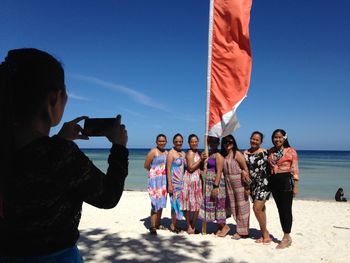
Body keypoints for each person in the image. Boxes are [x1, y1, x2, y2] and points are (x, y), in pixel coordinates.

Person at [0, 48, 128, 261]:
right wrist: (119, 148)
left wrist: (59, 140)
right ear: (54, 100)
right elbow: (108, 196)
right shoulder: (59, 156)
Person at [267, 129, 299, 249]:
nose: (278, 139)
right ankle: (286, 235)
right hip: (274, 181)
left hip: (286, 180)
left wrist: (296, 185)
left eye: (280, 137)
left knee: (286, 209)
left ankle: (286, 236)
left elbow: (295, 168)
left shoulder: (291, 151)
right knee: (280, 209)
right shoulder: (271, 151)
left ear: (285, 138)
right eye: (275, 137)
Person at [243, 131, 271, 244]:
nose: (254, 141)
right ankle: (264, 232)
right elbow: (244, 169)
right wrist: (246, 184)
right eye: (252, 139)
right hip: (252, 184)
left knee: (257, 208)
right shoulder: (245, 153)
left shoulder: (266, 152)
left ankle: (265, 233)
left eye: (257, 140)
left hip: (264, 183)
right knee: (261, 209)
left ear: (261, 141)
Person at [220, 135, 250, 239]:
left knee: (242, 206)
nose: (227, 144)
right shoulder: (225, 155)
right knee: (234, 207)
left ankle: (243, 232)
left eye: (230, 142)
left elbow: (246, 169)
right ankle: (240, 228)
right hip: (229, 184)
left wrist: (247, 187)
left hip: (239, 183)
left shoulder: (237, 154)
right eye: (225, 142)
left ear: (234, 142)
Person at [199, 136, 227, 235]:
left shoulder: (218, 155)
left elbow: (219, 171)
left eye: (215, 142)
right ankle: (219, 227)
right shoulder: (209, 154)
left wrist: (215, 186)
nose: (212, 144)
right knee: (213, 204)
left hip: (216, 182)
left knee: (219, 204)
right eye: (210, 142)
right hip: (208, 183)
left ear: (218, 143)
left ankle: (224, 227)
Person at [144, 134, 168, 235]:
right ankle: (153, 226)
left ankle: (158, 224)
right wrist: (154, 173)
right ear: (156, 142)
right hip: (154, 181)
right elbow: (146, 165)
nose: (161, 143)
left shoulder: (167, 152)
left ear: (166, 142)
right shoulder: (153, 151)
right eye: (160, 141)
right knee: (154, 203)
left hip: (163, 181)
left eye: (163, 141)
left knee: (161, 203)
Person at [181, 134, 204, 234]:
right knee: (188, 204)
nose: (194, 143)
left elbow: (199, 166)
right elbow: (190, 168)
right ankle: (189, 225)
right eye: (192, 142)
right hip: (190, 180)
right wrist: (201, 159)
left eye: (196, 141)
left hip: (197, 180)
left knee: (197, 204)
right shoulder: (190, 153)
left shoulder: (198, 152)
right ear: (189, 143)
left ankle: (193, 224)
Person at [166, 133, 186, 233]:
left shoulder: (183, 153)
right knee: (174, 205)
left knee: (180, 204)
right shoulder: (171, 153)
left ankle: (175, 224)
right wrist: (169, 184)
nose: (179, 143)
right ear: (173, 142)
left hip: (182, 184)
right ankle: (173, 225)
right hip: (174, 183)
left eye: (180, 141)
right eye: (177, 141)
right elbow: (168, 169)